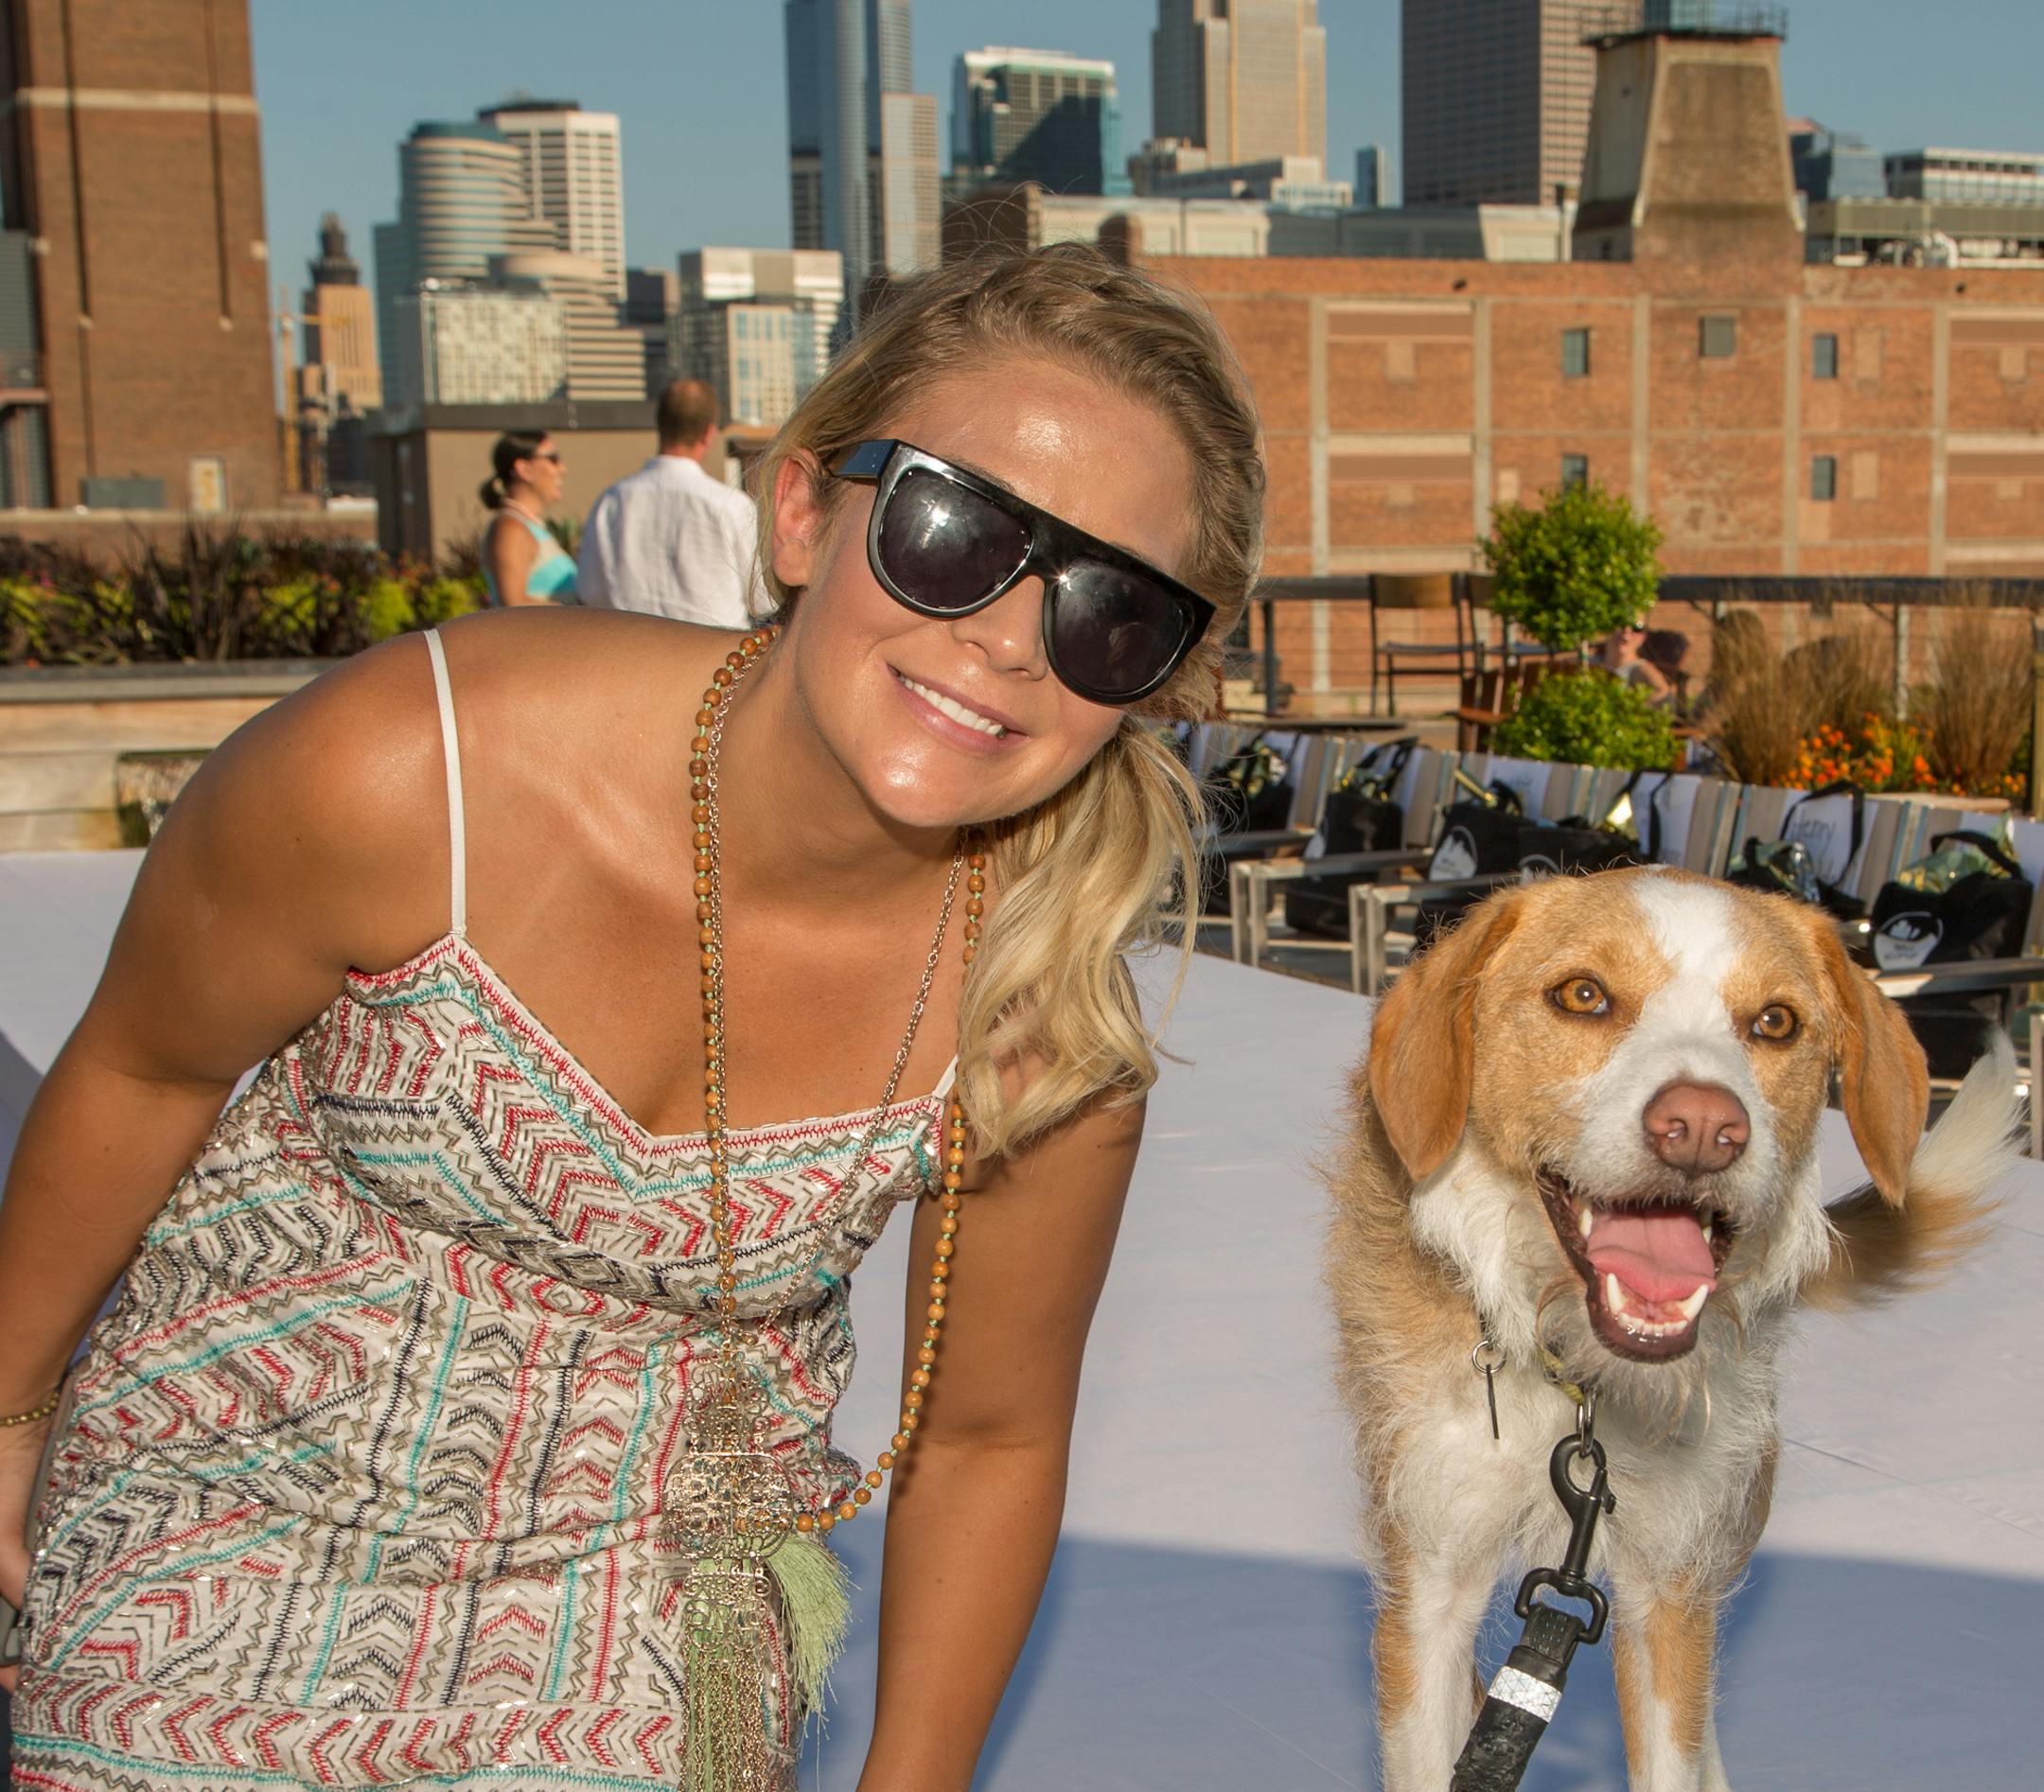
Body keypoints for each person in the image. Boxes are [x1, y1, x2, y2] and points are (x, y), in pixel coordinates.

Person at [0, 245, 1263, 1790]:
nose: (1009, 634)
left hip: (653, 1604)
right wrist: (4, 1411)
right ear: (804, 512)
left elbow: (987, 1439)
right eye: (955, 530)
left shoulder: (1044, 1020)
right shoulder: (421, 769)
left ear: (1153, 678)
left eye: (1111, 610)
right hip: (233, 1482)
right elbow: (141, 1062)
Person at [577, 377, 763, 625]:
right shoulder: (731, 506)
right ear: (709, 433)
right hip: (716, 656)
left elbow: (591, 592)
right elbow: (762, 598)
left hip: (633, 652)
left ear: (661, 426)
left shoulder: (611, 502)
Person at [480, 429, 578, 606]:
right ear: (523, 469)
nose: (562, 469)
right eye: (553, 459)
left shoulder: (526, 526)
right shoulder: (510, 529)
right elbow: (512, 605)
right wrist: (579, 615)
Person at [1598, 618, 1674, 705]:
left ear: (1643, 638)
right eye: (1621, 624)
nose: (1626, 633)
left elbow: (1662, 690)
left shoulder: (1638, 668)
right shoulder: (1590, 659)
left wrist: (1628, 709)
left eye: (1636, 628)